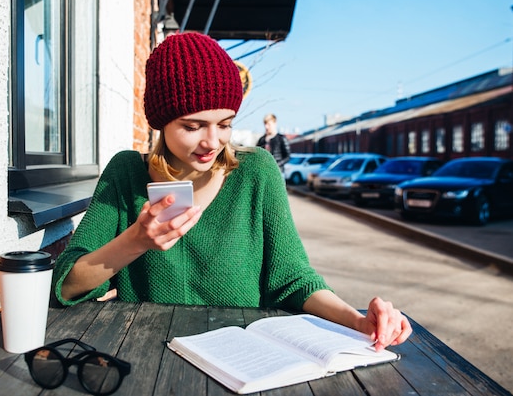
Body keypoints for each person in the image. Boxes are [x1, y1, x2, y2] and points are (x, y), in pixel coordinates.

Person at [52, 32, 411, 351]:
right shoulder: (126, 173)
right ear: (160, 121)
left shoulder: (256, 171)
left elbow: (293, 279)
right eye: (193, 126)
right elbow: (67, 285)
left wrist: (357, 320)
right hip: (147, 357)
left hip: (245, 360)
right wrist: (137, 239)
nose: (212, 141)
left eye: (225, 124)